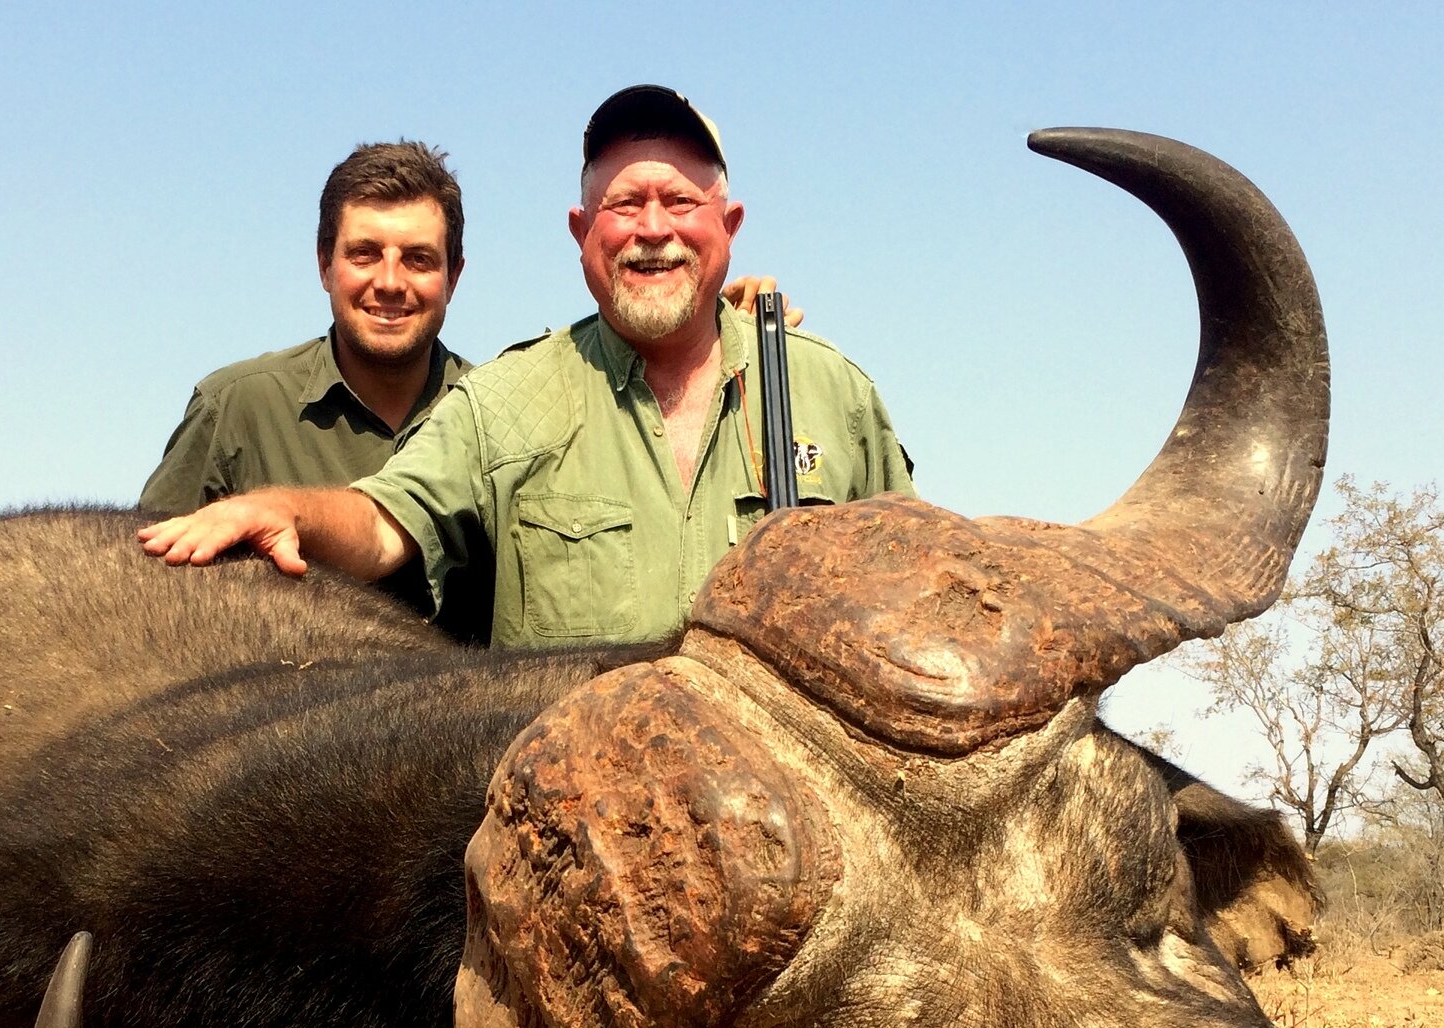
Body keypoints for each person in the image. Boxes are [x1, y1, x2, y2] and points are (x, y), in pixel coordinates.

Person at [138, 86, 914, 648]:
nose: (651, 231)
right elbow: (382, 524)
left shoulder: (831, 393)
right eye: (622, 204)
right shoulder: (504, 400)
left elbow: (920, 599)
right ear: (581, 232)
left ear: (729, 226)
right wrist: (291, 513)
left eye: (679, 202)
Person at [138, 140, 473, 516]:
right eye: (365, 254)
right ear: (325, 265)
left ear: (453, 278)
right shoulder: (234, 410)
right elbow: (142, 569)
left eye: (418, 259)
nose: (390, 282)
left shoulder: (495, 418)